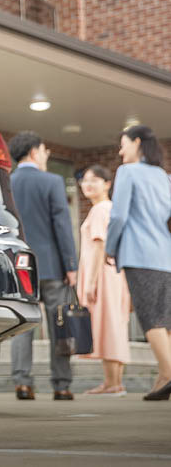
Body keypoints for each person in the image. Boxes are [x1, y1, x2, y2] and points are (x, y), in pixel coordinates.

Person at [7, 132, 77, 401]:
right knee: (60, 324)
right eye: (45, 150)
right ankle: (61, 385)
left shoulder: (7, 182)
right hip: (51, 266)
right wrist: (71, 264)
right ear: (35, 152)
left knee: (24, 324)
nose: (46, 155)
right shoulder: (52, 181)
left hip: (20, 265)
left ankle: (22, 383)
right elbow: (62, 225)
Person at [105, 125, 171, 401]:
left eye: (123, 144)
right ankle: (161, 381)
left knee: (150, 318)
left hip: (139, 254)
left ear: (137, 142)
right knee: (165, 319)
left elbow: (118, 216)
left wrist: (109, 248)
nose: (121, 151)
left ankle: (168, 373)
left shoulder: (127, 172)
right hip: (165, 255)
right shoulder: (162, 175)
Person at [77, 165, 130, 396]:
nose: (88, 184)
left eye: (95, 180)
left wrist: (90, 282)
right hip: (114, 274)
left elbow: (99, 246)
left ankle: (112, 383)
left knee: (107, 325)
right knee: (115, 325)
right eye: (85, 180)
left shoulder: (100, 210)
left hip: (102, 275)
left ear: (107, 184)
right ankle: (114, 382)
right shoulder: (111, 208)